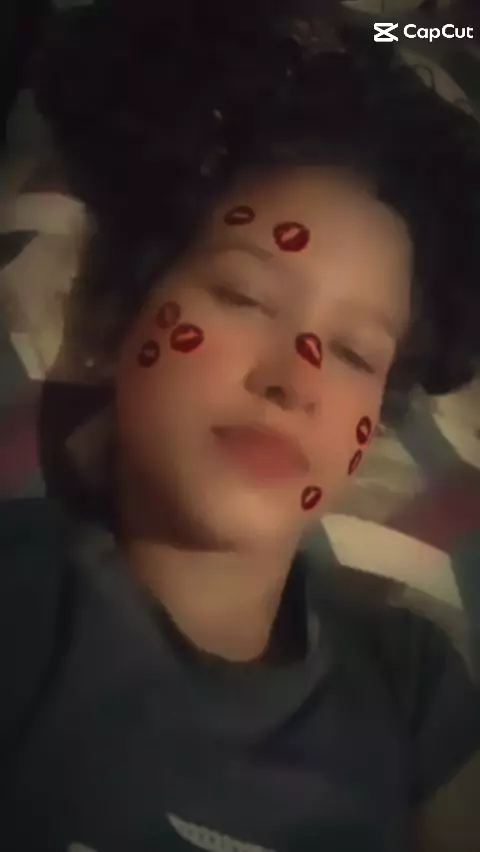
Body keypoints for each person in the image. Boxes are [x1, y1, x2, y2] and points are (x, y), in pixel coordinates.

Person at [1, 3, 480, 850]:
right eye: (243, 295)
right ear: (117, 320)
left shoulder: (414, 690)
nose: (294, 378)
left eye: (354, 352)